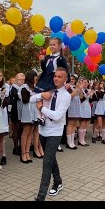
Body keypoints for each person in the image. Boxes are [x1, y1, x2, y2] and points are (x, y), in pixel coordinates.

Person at [30, 67, 71, 201]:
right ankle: (58, 182)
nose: (56, 78)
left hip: (55, 131)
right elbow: (31, 99)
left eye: (59, 77)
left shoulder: (66, 95)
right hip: (43, 129)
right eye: (55, 76)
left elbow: (57, 116)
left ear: (65, 79)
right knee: (51, 158)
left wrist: (41, 108)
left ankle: (41, 196)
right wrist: (41, 96)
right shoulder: (47, 90)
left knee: (46, 162)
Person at [34, 38, 69, 125]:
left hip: (53, 78)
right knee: (38, 96)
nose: (51, 46)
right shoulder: (47, 57)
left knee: (47, 97)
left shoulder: (61, 59)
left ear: (59, 46)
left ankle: (43, 117)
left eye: (54, 45)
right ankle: (38, 116)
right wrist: (42, 61)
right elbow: (44, 69)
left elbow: (65, 71)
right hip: (45, 77)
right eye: (50, 45)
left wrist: (65, 82)